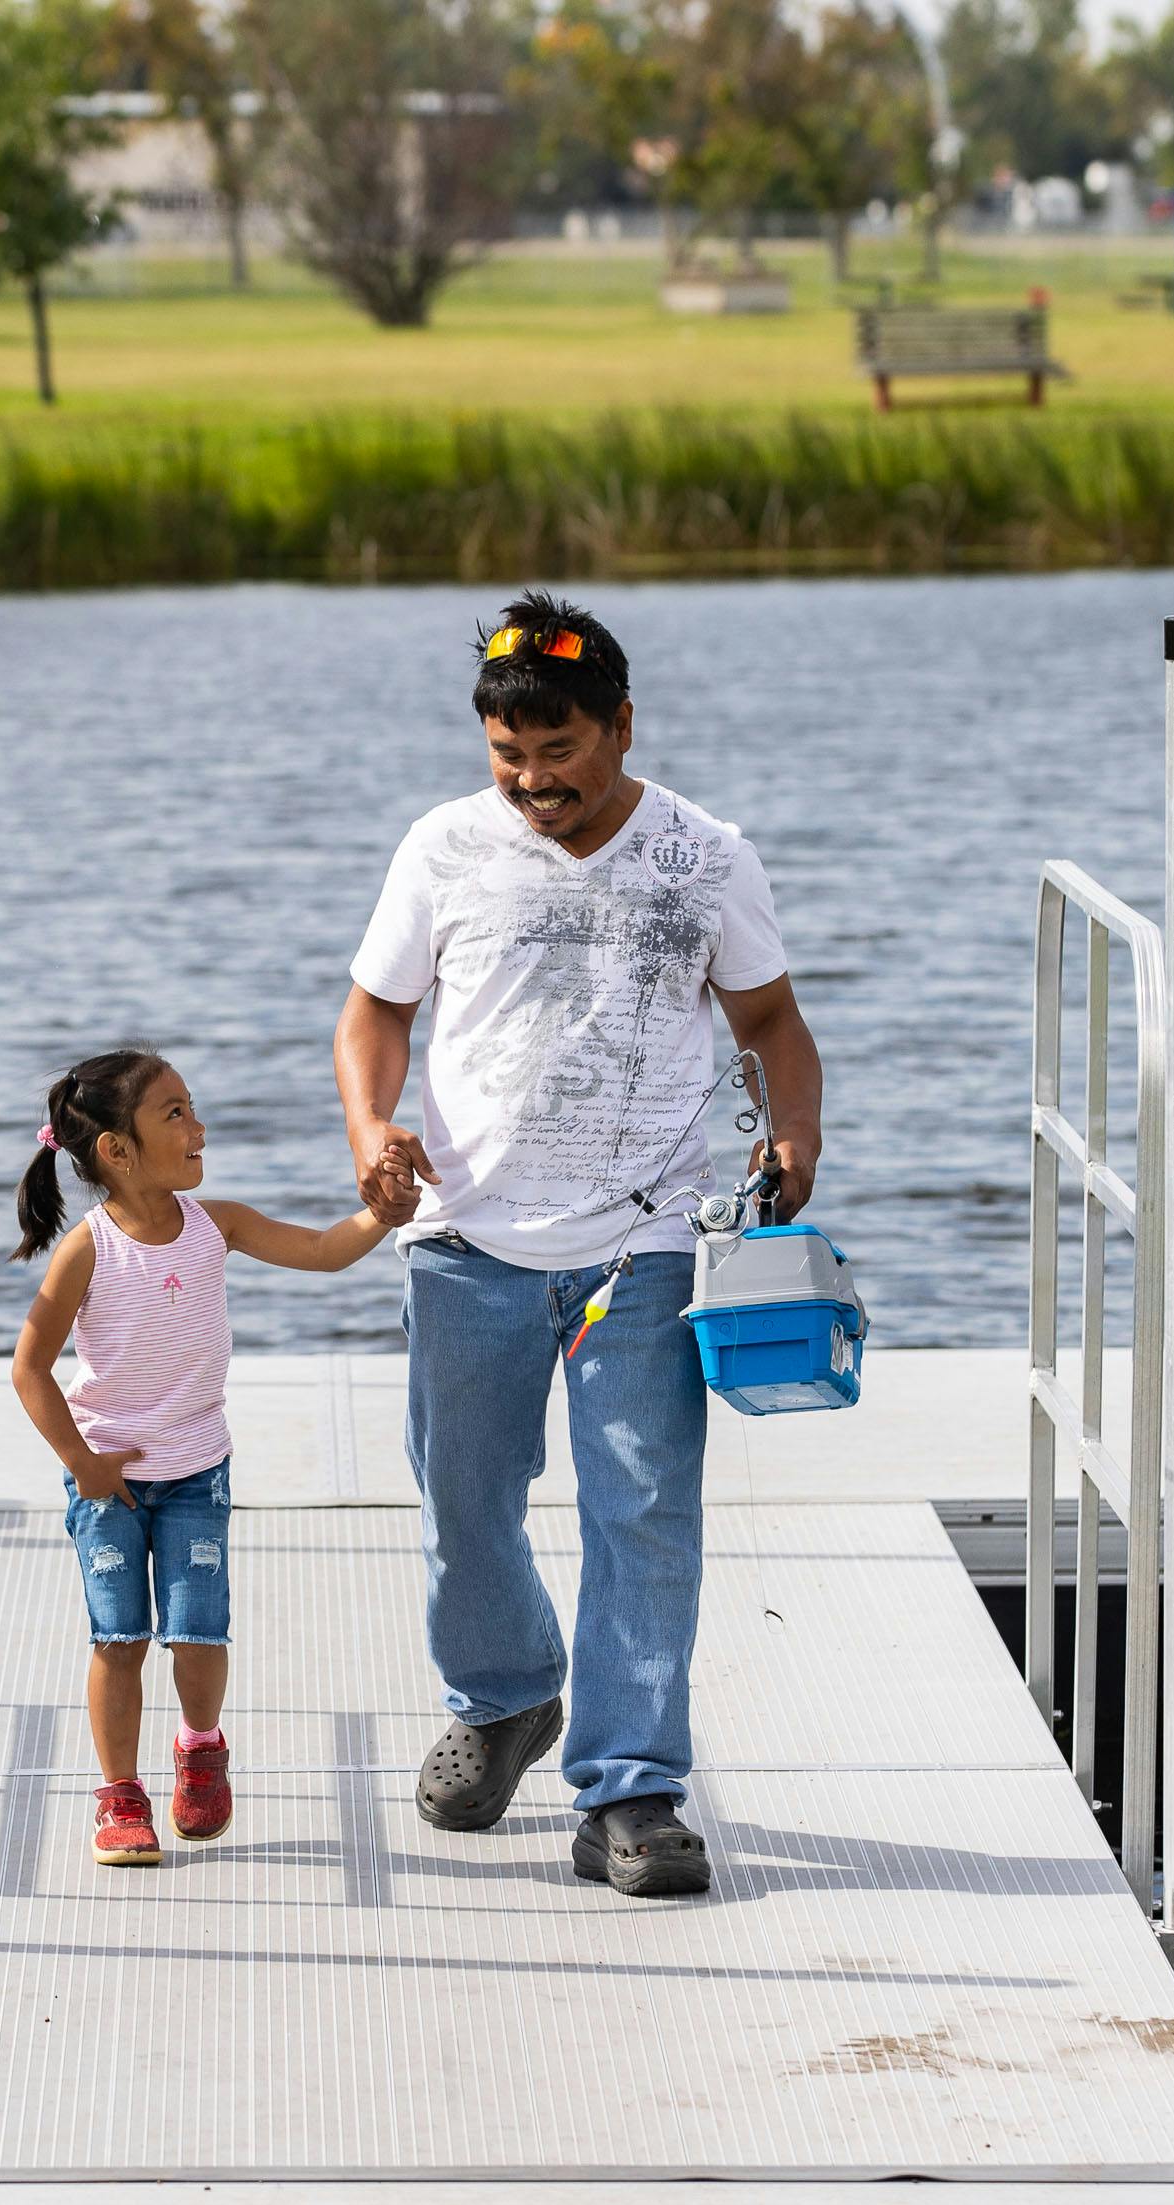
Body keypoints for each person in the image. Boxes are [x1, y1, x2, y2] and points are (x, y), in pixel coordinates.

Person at [338, 592, 823, 1900]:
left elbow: (771, 1020)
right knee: (463, 1500)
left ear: (620, 725)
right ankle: (503, 1701)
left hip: (644, 1243)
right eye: (508, 754)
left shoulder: (706, 856)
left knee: (644, 1508)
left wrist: (794, 1134)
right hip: (464, 1239)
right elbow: (373, 1013)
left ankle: (632, 1789)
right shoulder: (442, 847)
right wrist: (369, 1122)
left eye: (558, 752)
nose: (532, 781)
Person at [9, 1048, 394, 1868]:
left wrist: (383, 1216)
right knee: (118, 1639)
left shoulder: (217, 1225)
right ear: (116, 1150)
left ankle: (200, 1747)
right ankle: (119, 1795)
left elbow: (324, 1250)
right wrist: (84, 1464)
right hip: (108, 1483)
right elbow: (29, 1367)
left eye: (192, 1107)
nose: (198, 1128)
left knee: (197, 1634)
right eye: (174, 1114)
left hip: (196, 1472)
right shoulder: (90, 1249)